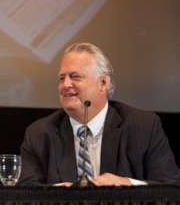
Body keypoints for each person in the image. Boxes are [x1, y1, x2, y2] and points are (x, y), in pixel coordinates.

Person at [19, 42, 180, 186]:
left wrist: (127, 184)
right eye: (62, 78)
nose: (66, 84)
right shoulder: (39, 134)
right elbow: (25, 195)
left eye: (75, 77)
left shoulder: (143, 127)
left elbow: (170, 187)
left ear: (103, 83)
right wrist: (55, 194)